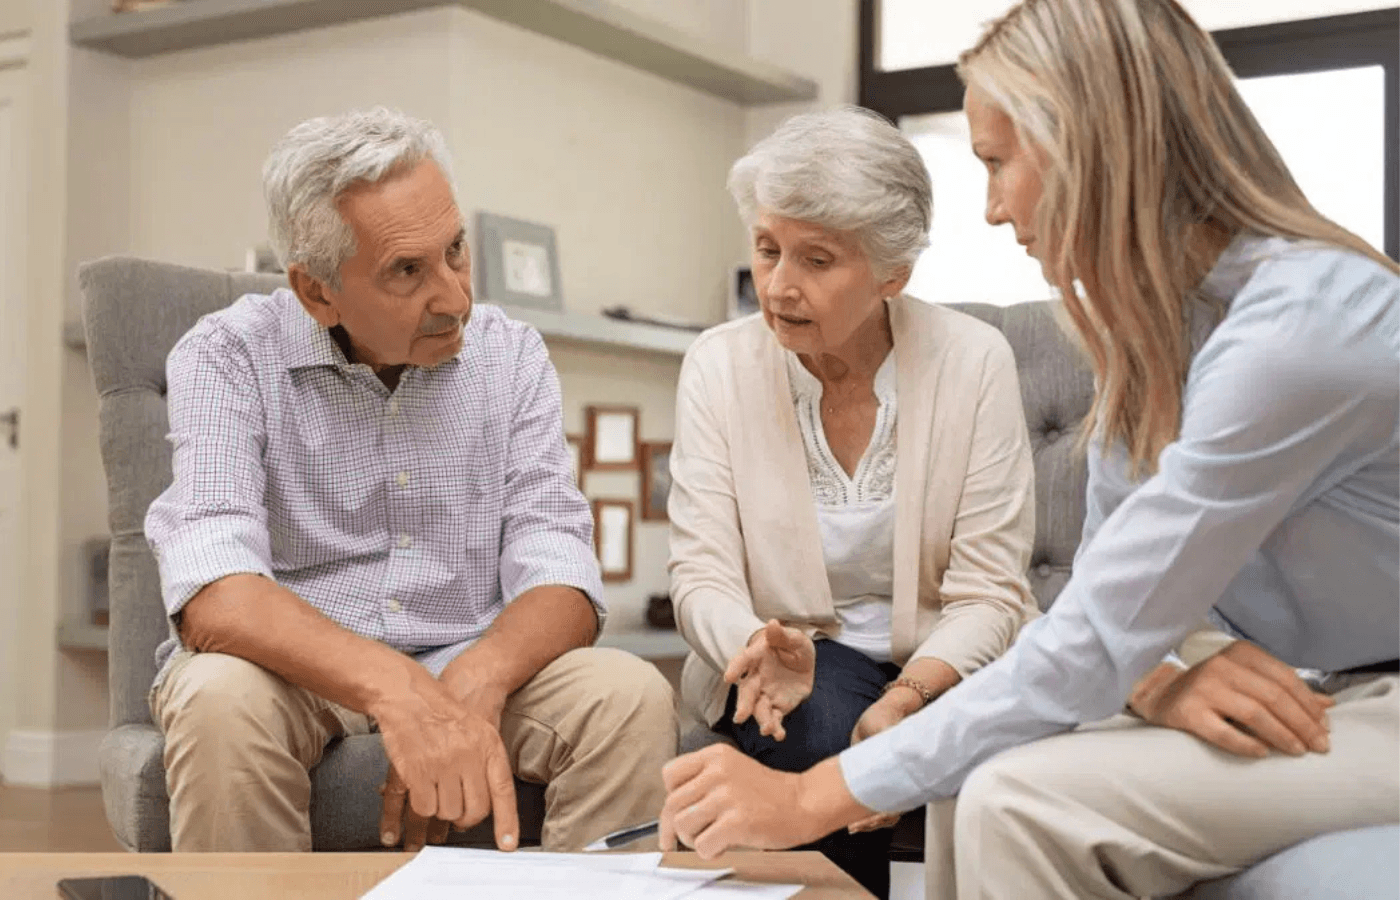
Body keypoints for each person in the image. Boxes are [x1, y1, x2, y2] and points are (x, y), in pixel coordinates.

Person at [658, 2, 1400, 898]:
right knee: (980, 790)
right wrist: (1163, 674)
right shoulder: (1155, 339)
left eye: (997, 163)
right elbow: (1099, 606)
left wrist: (810, 797)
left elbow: (1081, 639)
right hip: (1309, 692)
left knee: (1014, 801)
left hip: (1372, 702)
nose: (993, 207)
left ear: (1089, 145)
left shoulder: (1298, 332)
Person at [145, 107, 676, 853]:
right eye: (407, 271)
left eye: (455, 250)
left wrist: (476, 682)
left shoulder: (512, 356)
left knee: (628, 697)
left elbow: (562, 571)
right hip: (289, 674)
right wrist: (396, 693)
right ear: (316, 292)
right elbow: (214, 591)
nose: (455, 297)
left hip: (467, 652)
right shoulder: (226, 356)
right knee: (217, 699)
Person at [667, 107, 1038, 897]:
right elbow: (700, 572)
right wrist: (754, 647)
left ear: (892, 273)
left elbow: (990, 590)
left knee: (892, 733)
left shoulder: (974, 363)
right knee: (822, 721)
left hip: (948, 661)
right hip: (789, 666)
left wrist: (908, 696)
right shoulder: (718, 365)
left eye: (818, 260)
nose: (779, 286)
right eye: (767, 250)